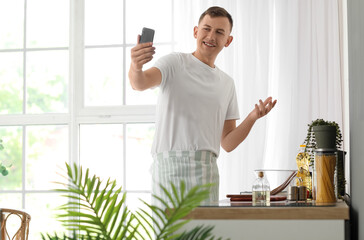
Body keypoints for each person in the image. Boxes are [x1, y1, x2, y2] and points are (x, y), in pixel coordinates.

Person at [129, 6, 277, 205]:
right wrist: (136, 66)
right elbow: (139, 83)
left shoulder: (226, 83)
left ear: (228, 41)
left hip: (206, 172)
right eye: (206, 29)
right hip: (169, 170)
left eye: (219, 32)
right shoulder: (175, 63)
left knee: (204, 234)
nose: (211, 36)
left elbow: (228, 143)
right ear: (195, 32)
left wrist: (252, 118)